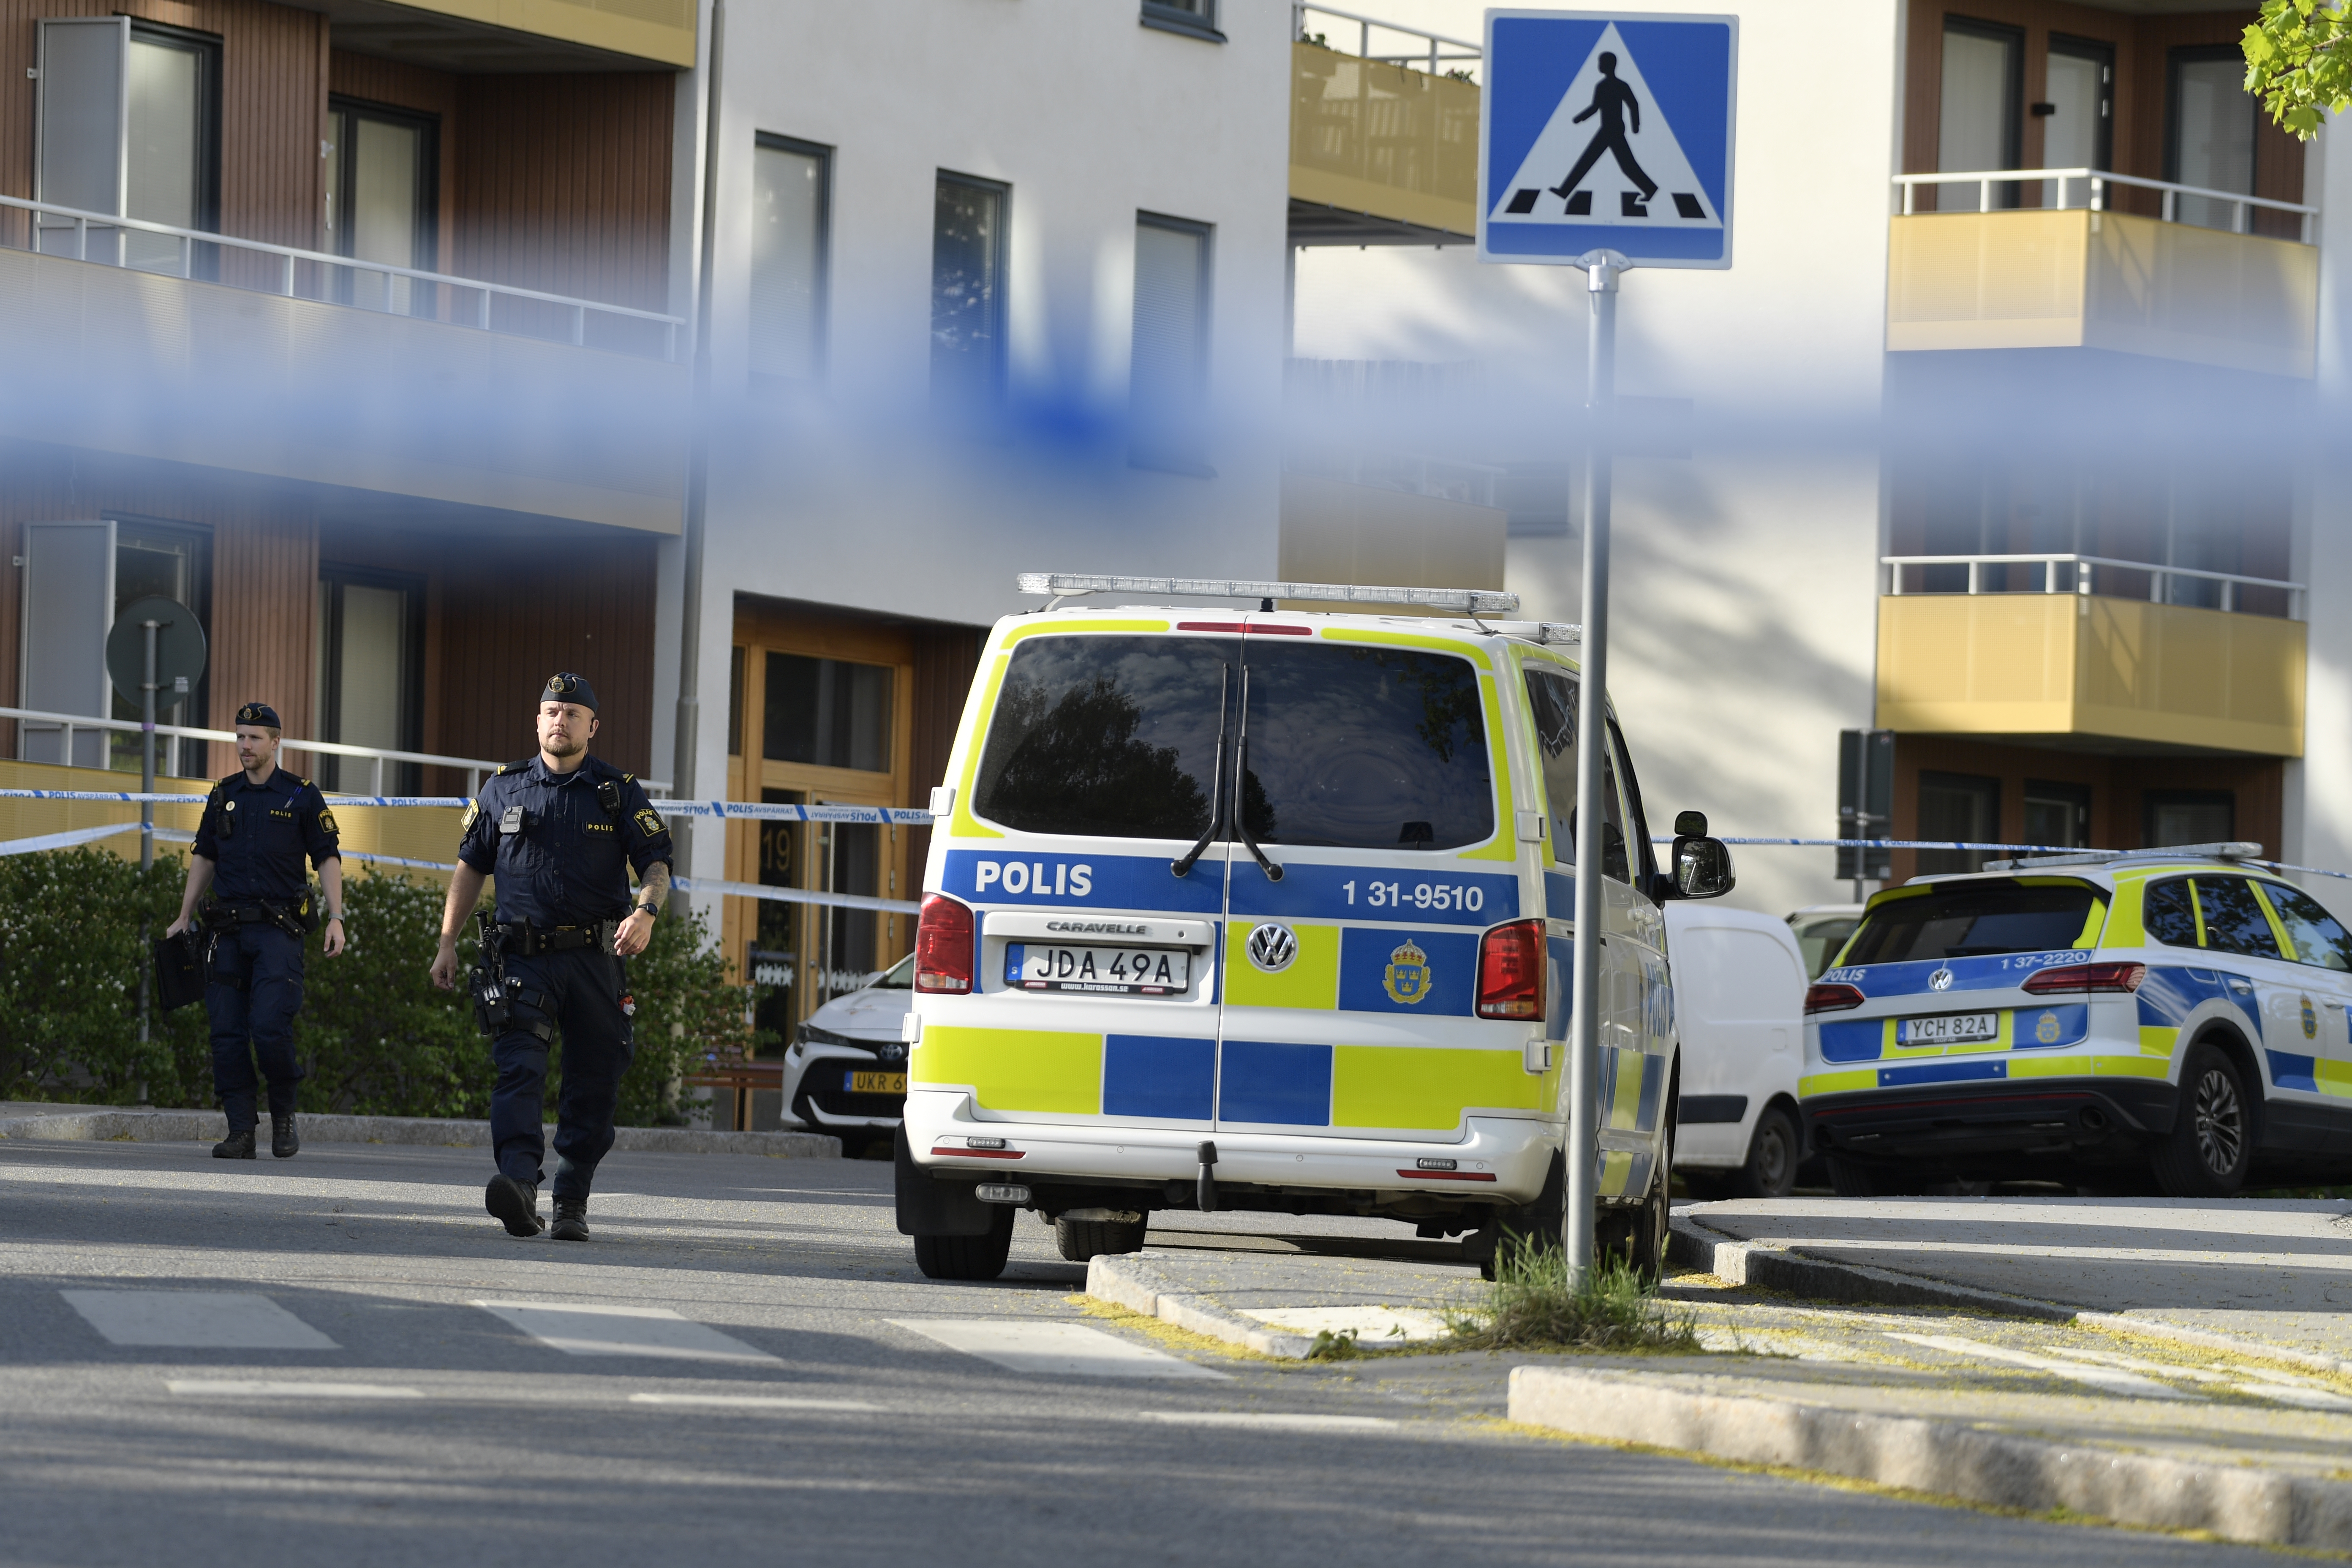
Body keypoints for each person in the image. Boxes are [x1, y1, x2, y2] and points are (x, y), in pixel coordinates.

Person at [430, 673, 672, 1243]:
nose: (560, 721)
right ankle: (518, 1184)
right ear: (538, 721)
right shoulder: (503, 789)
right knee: (519, 1067)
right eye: (551, 712)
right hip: (523, 958)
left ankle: (571, 1198)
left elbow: (656, 863)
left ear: (593, 725)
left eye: (571, 713)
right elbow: (471, 867)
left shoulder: (617, 791)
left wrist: (646, 913)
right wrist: (447, 941)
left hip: (595, 958)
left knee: (595, 1079)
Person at [166, 702, 345, 1160]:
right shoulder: (223, 794)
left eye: (254, 738)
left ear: (276, 742)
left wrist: (337, 916)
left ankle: (283, 1115)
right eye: (240, 737)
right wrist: (184, 915)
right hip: (225, 932)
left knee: (268, 1027)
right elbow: (205, 856)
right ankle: (241, 1131)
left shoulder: (302, 795)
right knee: (226, 1033)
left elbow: (327, 857)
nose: (245, 746)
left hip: (277, 932)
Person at [1551, 51, 1659, 211]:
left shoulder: (1618, 85)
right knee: (1597, 162)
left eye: (1601, 63)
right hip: (1608, 129)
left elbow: (1633, 104)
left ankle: (1650, 189)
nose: (1599, 66)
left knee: (1620, 165)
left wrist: (1636, 126)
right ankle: (1564, 191)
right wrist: (1580, 118)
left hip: (1614, 130)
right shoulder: (1602, 86)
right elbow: (1596, 107)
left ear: (1609, 65)